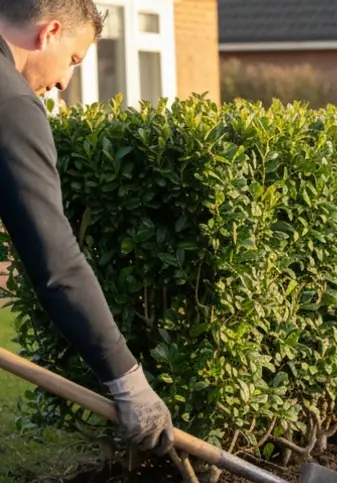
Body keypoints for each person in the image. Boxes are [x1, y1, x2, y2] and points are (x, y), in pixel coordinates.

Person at [0, 0, 174, 455]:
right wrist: (128, 380)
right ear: (50, 32)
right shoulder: (11, 104)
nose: (63, 82)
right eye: (73, 61)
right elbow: (56, 264)